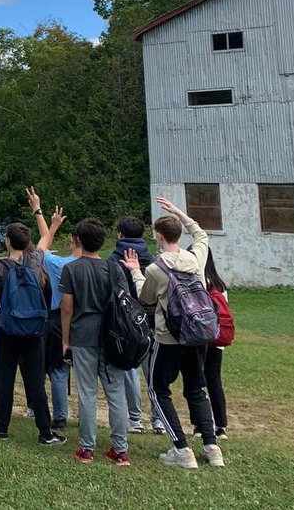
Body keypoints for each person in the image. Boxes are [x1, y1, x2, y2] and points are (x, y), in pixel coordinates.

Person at [123, 197, 224, 469]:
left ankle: (181, 448)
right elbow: (201, 233)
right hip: (198, 334)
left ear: (158, 235)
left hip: (168, 338)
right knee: (196, 389)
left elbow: (146, 298)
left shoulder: (156, 268)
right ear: (179, 233)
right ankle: (212, 447)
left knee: (158, 389)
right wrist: (179, 212)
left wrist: (135, 272)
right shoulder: (195, 258)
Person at [0, 192, 65, 445]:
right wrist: (40, 211)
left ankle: (2, 428)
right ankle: (45, 432)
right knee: (35, 382)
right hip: (35, 330)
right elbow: (46, 238)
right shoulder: (35, 262)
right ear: (27, 242)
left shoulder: (0, 266)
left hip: (8, 329)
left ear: (7, 242)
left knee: (5, 379)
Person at [59, 217, 131, 465]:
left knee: (87, 392)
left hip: (82, 334)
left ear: (77, 241)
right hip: (113, 336)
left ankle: (87, 448)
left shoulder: (71, 269)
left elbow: (66, 309)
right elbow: (125, 302)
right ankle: (120, 449)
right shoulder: (114, 268)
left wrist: (65, 341)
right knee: (115, 391)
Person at [110, 215, 160, 434]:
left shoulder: (113, 259)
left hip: (125, 320)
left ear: (120, 233)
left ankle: (135, 419)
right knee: (153, 371)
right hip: (151, 318)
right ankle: (158, 418)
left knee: (130, 368)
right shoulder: (153, 258)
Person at [35, 194, 74, 430]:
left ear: (75, 240)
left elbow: (42, 247)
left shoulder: (60, 265)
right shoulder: (102, 265)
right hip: (88, 322)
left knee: (57, 369)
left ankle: (59, 416)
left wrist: (43, 216)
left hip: (59, 320)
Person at [200, 248, 229, 441]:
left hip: (199, 338)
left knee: (196, 382)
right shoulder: (220, 285)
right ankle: (221, 425)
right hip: (217, 339)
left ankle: (200, 424)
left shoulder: (197, 283)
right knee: (214, 381)